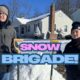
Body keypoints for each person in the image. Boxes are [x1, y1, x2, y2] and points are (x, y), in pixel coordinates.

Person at [0, 5, 16, 80]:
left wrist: (16, 52)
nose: (1, 15)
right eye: (0, 13)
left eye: (4, 13)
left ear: (7, 15)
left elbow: (14, 46)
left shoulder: (12, 30)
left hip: (6, 62)